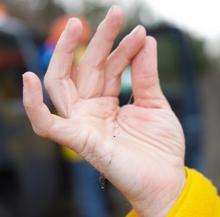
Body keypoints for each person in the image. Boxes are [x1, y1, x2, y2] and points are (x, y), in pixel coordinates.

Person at [22, 5, 220, 217]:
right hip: (82, 139)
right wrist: (170, 200)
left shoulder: (64, 55)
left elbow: (44, 66)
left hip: (76, 145)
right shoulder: (82, 54)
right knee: (93, 191)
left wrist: (169, 198)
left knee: (88, 193)